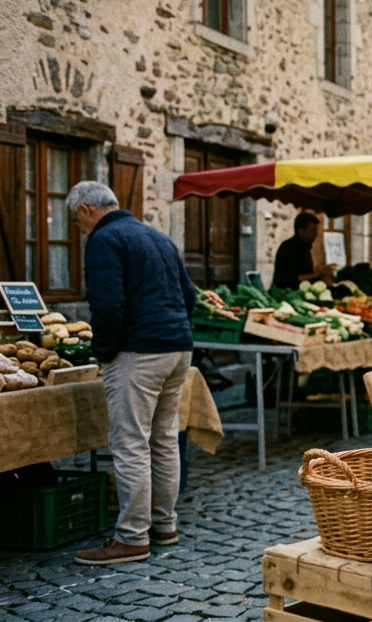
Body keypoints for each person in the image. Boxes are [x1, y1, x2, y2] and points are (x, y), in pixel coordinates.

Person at [68, 181, 196, 565]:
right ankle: (164, 526)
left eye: (77, 219)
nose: (79, 227)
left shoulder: (105, 240)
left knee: (130, 444)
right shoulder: (155, 236)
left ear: (88, 209)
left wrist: (105, 352)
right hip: (177, 347)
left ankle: (132, 537)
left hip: (139, 351)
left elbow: (107, 306)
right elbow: (189, 295)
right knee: (163, 439)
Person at [271, 212, 335, 290]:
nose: (316, 234)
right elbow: (287, 279)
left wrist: (320, 271)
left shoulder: (305, 247)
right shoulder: (288, 247)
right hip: (286, 295)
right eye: (313, 230)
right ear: (301, 231)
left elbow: (306, 274)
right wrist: (315, 274)